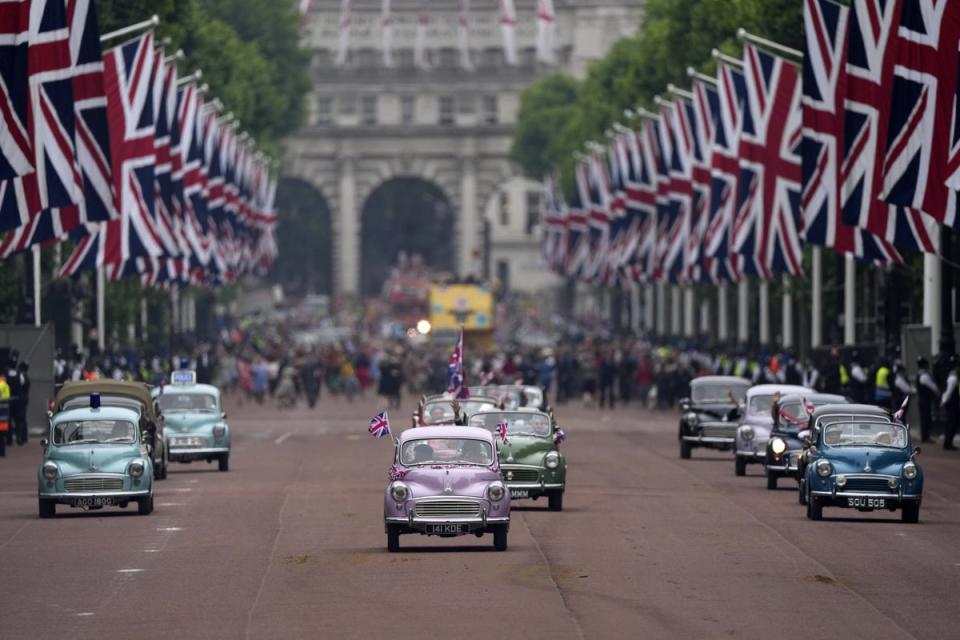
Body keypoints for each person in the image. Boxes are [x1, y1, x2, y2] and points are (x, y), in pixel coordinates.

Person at [916, 357, 938, 444]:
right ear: (925, 365)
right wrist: (938, 392)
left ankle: (925, 436)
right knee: (926, 418)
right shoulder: (924, 375)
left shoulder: (920, 374)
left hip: (923, 399)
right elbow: (933, 386)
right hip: (925, 400)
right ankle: (925, 436)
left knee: (924, 417)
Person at [939, 354, 958, 451]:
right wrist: (944, 400)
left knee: (951, 422)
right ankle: (948, 443)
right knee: (951, 423)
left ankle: (948, 443)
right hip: (952, 403)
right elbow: (949, 391)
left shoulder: (951, 375)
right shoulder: (953, 377)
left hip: (951, 402)